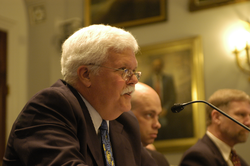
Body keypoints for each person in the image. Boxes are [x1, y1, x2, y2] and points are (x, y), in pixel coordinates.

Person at [2, 24, 157, 166]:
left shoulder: (125, 121)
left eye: (134, 71)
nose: (134, 80)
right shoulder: (51, 108)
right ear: (86, 75)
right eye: (124, 70)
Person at [179, 89, 250, 166]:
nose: (248, 122)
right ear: (217, 117)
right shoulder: (197, 157)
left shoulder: (236, 159)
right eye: (241, 114)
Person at [131, 82, 170, 166]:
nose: (157, 125)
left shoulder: (159, 160)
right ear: (127, 114)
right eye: (149, 115)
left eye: (158, 116)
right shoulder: (110, 157)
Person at [144, 58, 177, 140]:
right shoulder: (147, 81)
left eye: (158, 65)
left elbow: (172, 96)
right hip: (152, 112)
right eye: (155, 66)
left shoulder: (168, 79)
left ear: (161, 66)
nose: (156, 67)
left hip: (167, 112)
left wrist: (165, 108)